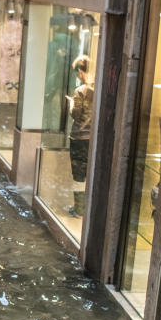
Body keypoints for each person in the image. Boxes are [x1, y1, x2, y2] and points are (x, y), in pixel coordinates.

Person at [66, 56, 94, 217]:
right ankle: (88, 208)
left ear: (82, 72)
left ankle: (79, 209)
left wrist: (71, 103)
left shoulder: (80, 91)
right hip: (93, 139)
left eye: (78, 73)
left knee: (78, 174)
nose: (78, 76)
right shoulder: (98, 89)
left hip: (79, 138)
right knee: (90, 172)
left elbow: (76, 114)